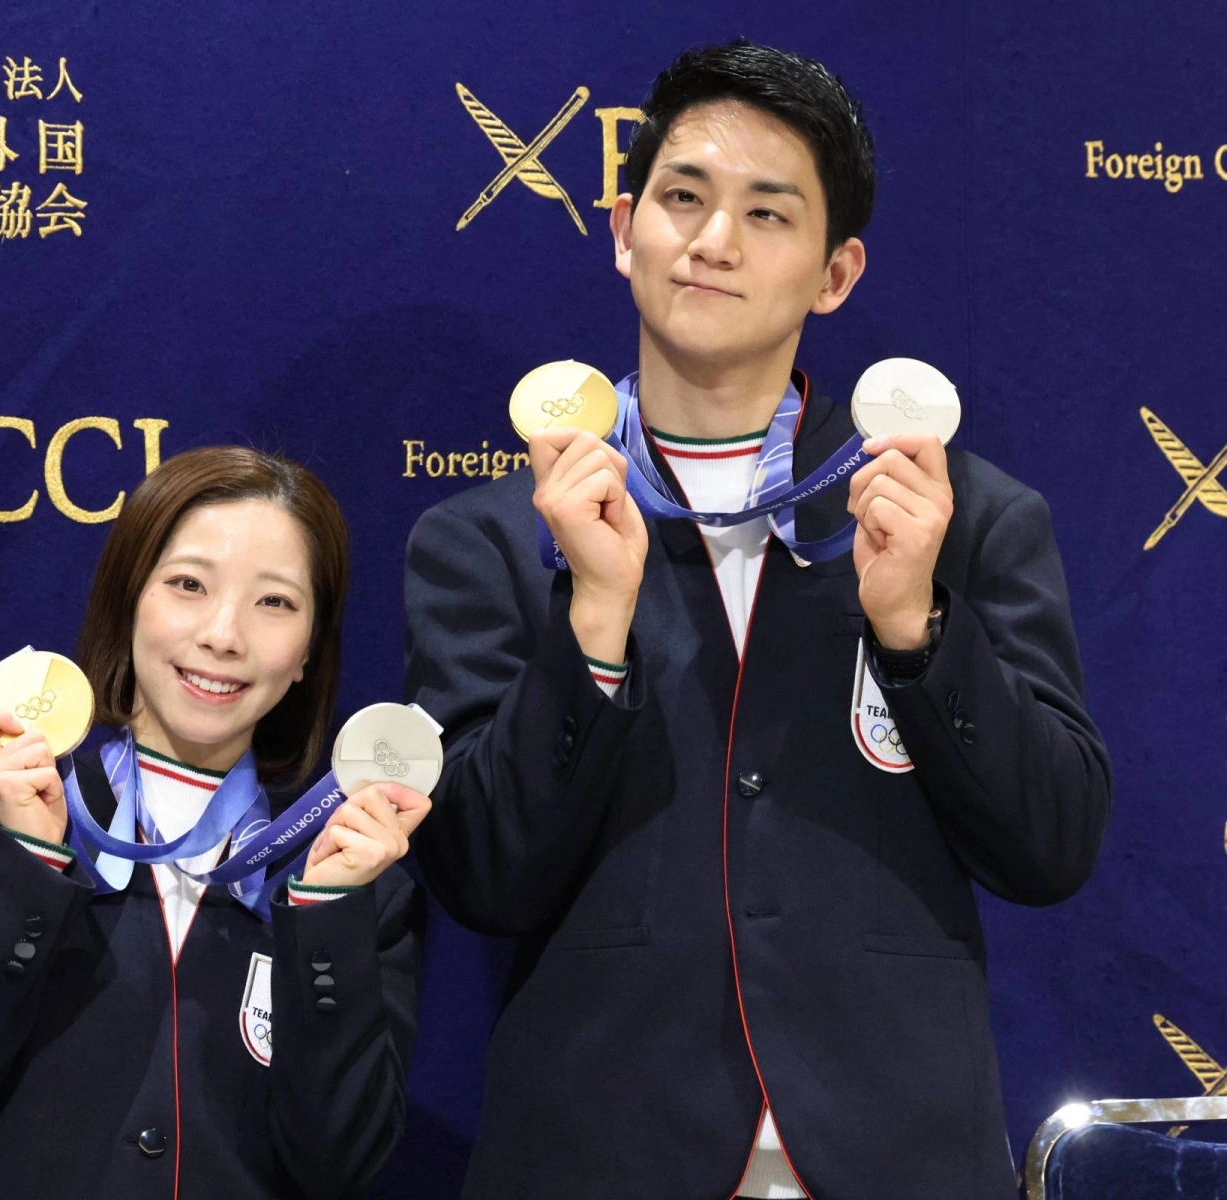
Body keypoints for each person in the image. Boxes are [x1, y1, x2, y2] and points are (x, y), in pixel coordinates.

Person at [405, 38, 1110, 1200]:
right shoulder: (490, 539)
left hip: (895, 1152)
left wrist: (919, 629)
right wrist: (591, 620)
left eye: (768, 214)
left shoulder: (959, 514)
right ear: (624, 225)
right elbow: (486, 877)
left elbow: (1053, 845)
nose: (714, 240)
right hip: (598, 1152)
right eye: (683, 198)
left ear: (835, 274)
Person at [0, 446, 429, 1199]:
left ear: (306, 655)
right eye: (189, 585)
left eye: (276, 602)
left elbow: (341, 1166)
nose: (224, 635)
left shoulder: (354, 878)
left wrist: (326, 916)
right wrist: (27, 863)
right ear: (127, 598)